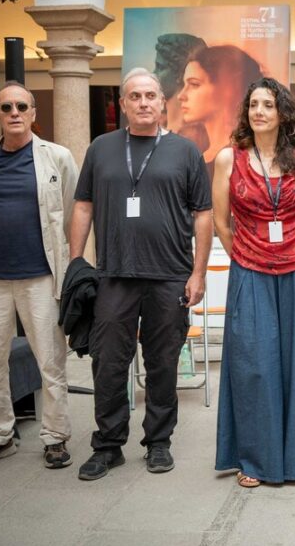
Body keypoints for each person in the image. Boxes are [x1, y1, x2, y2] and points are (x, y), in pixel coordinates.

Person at [70, 68, 213, 481]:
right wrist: (77, 263)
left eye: (151, 95)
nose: (144, 102)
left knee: (163, 361)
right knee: (109, 362)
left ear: (162, 102)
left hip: (169, 275)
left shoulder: (185, 152)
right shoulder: (101, 148)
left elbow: (203, 214)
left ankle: (159, 442)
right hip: (114, 274)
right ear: (123, 104)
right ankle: (108, 445)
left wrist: (198, 272)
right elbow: (83, 205)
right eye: (135, 96)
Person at [211, 78, 295, 487]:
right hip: (251, 271)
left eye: (268, 104)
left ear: (282, 112)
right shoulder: (229, 158)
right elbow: (221, 223)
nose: (259, 111)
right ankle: (257, 460)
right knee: (255, 363)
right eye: (253, 105)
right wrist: (246, 254)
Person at [0, 82, 77, 470]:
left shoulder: (58, 158)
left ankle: (55, 438)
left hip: (40, 277)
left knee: (50, 361)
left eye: (21, 106)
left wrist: (74, 269)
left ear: (33, 113)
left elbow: (72, 213)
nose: (14, 112)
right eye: (6, 106)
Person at [178, 45, 262, 165]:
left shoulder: (245, 157)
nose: (181, 95)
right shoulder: (197, 157)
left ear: (227, 89)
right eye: (184, 84)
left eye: (194, 84)